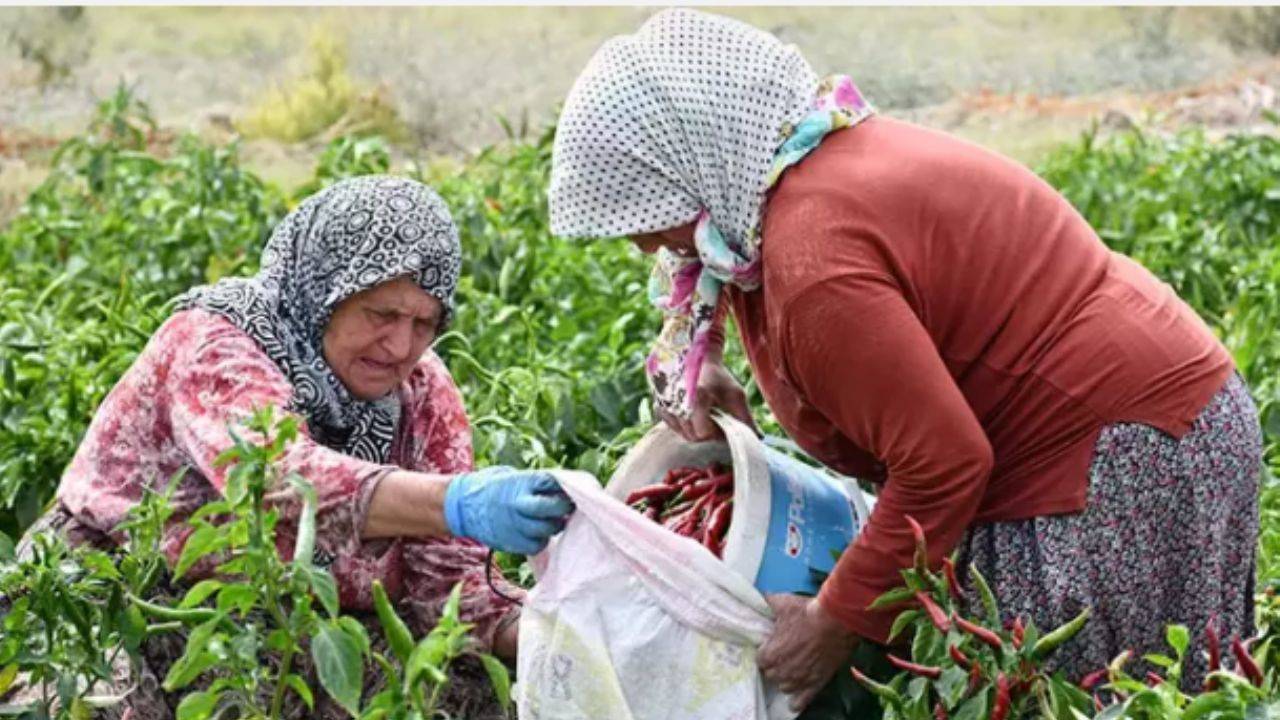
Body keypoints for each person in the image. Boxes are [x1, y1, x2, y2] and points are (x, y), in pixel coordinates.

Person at [549, 8, 1263, 713]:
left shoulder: (816, 266)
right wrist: (699, 358)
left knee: (1110, 700)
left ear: (698, 162)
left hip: (1121, 457)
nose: (642, 242)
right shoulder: (798, 166)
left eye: (647, 211)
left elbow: (943, 465)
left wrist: (832, 622)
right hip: (1155, 414)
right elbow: (709, 268)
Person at [19, 175, 572, 718]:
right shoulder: (215, 343)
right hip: (117, 593)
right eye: (381, 314)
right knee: (87, 704)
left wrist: (572, 636)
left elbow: (451, 595)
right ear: (327, 291)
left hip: (284, 621)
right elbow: (279, 479)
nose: (401, 345)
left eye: (425, 323)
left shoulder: (421, 392)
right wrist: (452, 503)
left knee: (469, 688)